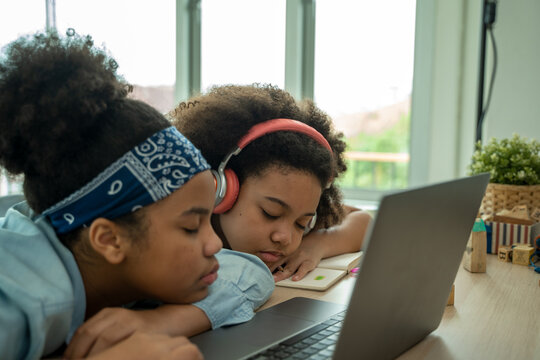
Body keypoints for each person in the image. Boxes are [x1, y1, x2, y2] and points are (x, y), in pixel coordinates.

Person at [0, 30, 272, 360]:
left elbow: (249, 272)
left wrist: (160, 322)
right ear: (109, 240)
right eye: (190, 227)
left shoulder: (83, 244)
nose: (215, 243)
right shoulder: (21, 303)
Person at [168, 84, 372, 283]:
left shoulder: (294, 211)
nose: (285, 238)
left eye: (301, 224)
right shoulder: (172, 239)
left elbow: (363, 221)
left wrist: (318, 244)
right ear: (219, 189)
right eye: (270, 213)